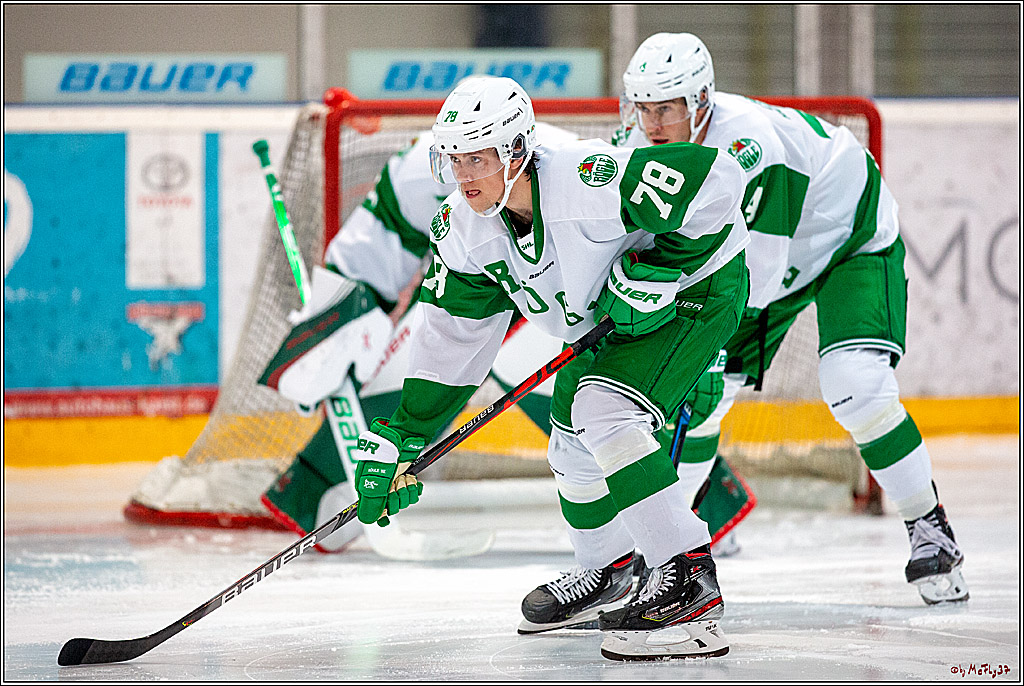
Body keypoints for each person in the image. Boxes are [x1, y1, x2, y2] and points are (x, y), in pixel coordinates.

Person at [351, 75, 751, 660]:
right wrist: (404, 437)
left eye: (477, 159)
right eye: (453, 159)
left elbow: (716, 180)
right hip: (606, 318)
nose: (464, 176)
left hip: (697, 289)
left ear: (516, 151)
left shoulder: (588, 179)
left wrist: (659, 267)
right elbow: (453, 339)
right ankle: (609, 572)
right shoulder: (464, 229)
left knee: (602, 409)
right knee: (569, 445)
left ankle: (689, 580)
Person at [616, 32, 968, 606]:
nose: (652, 122)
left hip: (848, 242)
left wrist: (675, 324)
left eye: (667, 108)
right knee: (703, 399)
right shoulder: (634, 143)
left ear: (700, 101)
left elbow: (755, 276)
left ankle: (930, 528)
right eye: (644, 107)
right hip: (758, 262)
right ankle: (664, 553)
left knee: (857, 388)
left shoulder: (750, 149)